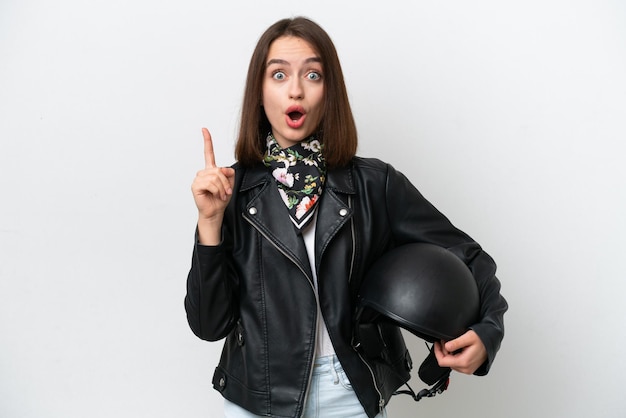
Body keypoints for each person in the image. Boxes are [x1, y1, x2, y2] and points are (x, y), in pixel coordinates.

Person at [185, 16, 507, 418]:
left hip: (349, 396)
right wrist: (210, 223)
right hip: (259, 400)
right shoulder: (231, 191)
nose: (296, 90)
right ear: (259, 92)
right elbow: (209, 325)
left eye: (313, 74)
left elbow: (471, 258)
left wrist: (487, 333)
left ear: (329, 91)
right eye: (279, 74)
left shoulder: (375, 185)